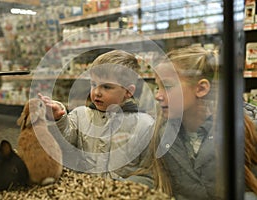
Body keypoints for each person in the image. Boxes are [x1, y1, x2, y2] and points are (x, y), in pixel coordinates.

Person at [38, 50, 154, 183]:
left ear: (128, 91)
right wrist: (58, 119)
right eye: (93, 84)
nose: (97, 92)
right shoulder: (80, 115)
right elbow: (64, 143)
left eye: (106, 87)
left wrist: (120, 189)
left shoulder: (145, 126)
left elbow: (148, 174)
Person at [140, 45, 222, 199]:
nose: (158, 95)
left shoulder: (243, 132)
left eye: (167, 86)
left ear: (201, 89)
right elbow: (152, 176)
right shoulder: (161, 132)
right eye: (158, 87)